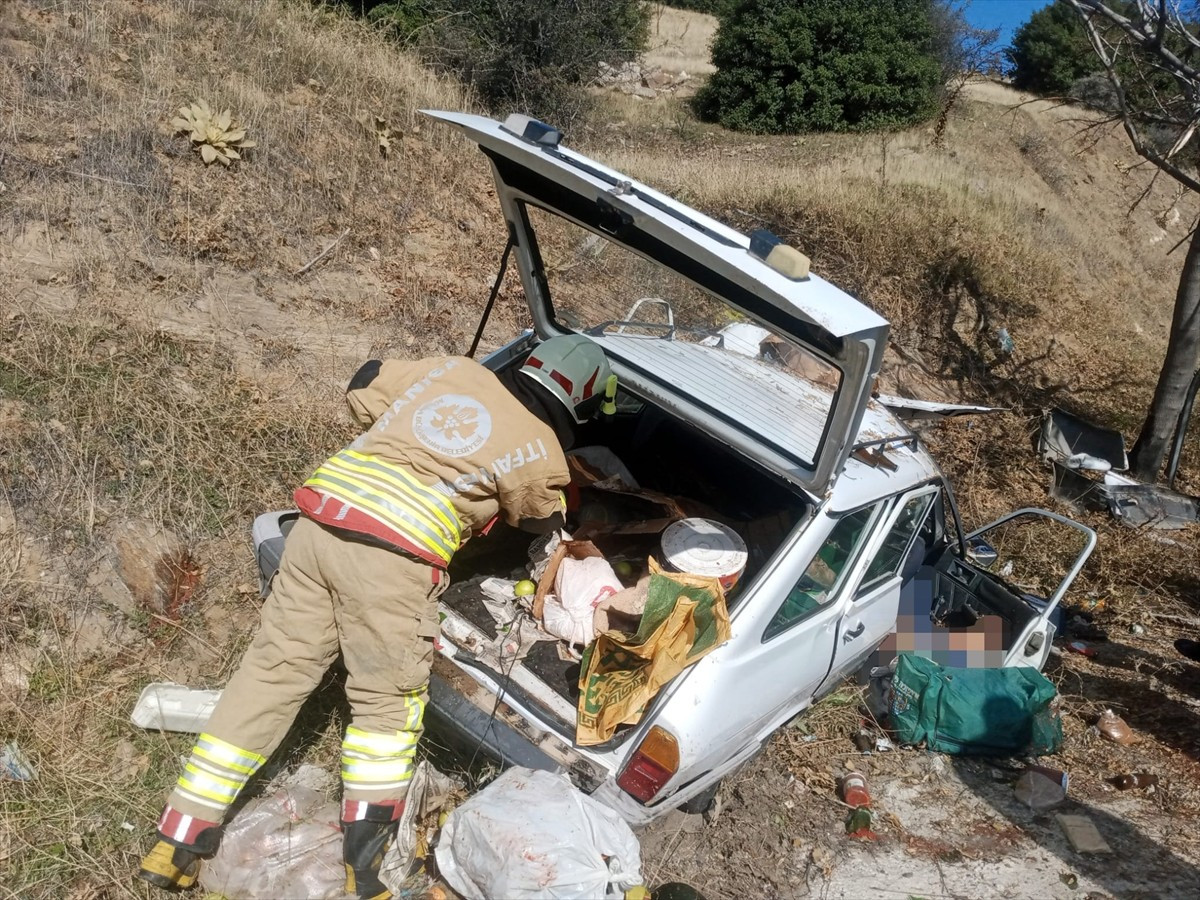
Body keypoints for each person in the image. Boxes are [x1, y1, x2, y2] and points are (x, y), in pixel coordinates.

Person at [138, 335, 612, 898]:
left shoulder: (450, 370)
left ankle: (176, 841)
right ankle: (363, 873)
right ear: (580, 401)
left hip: (320, 526)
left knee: (270, 676)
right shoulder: (540, 445)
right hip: (394, 559)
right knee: (386, 709)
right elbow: (540, 515)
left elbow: (363, 381)